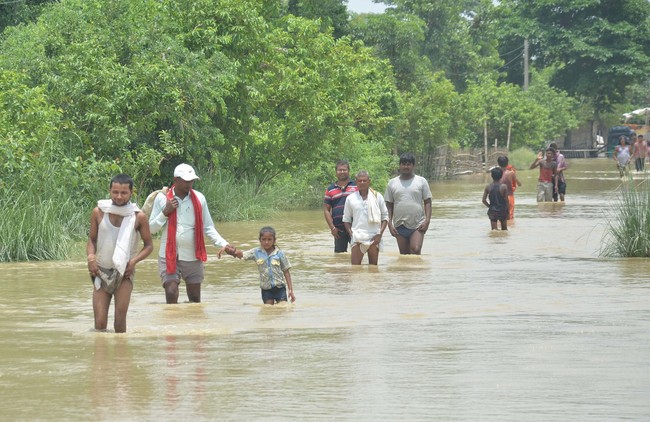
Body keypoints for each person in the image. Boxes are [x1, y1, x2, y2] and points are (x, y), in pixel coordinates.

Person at [149, 163, 231, 304]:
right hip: (168, 255)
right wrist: (165, 212)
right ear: (176, 180)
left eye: (192, 181)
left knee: (194, 299)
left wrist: (224, 244)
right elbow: (150, 229)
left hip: (193, 255)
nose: (190, 184)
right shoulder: (162, 199)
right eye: (186, 181)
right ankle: (172, 325)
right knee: (171, 292)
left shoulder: (199, 199)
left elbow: (208, 227)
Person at [87, 174, 154, 333]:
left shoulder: (138, 216)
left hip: (125, 273)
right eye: (115, 192)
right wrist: (91, 257)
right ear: (109, 191)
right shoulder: (98, 212)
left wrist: (133, 262)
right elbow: (92, 239)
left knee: (119, 322)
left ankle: (121, 356)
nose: (118, 196)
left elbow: (149, 246)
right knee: (100, 324)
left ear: (131, 193)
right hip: (101, 271)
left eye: (124, 193)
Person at [224, 227, 295, 305]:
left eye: (269, 239)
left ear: (274, 240)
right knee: (268, 310)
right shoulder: (256, 252)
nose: (266, 242)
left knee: (282, 308)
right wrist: (230, 250)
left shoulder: (279, 254)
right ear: (260, 240)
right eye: (263, 239)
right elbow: (242, 255)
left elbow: (286, 271)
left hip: (280, 288)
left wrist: (290, 289)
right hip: (266, 289)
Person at [384, 153, 432, 255]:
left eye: (409, 164)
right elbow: (389, 205)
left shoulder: (421, 181)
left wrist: (427, 221)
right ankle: (406, 271)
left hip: (417, 224)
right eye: (403, 164)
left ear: (413, 166)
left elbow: (427, 202)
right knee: (404, 254)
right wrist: (389, 224)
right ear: (400, 165)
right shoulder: (392, 183)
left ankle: (416, 271)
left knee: (415, 249)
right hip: (399, 224)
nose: (406, 166)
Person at [342, 170, 389, 265]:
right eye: (360, 181)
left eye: (364, 180)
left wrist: (379, 234)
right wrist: (352, 234)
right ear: (356, 182)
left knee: (373, 269)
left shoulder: (377, 196)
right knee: (355, 269)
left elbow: (385, 217)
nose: (362, 183)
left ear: (369, 181)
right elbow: (346, 219)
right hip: (358, 237)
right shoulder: (350, 198)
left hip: (374, 237)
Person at [323, 160, 358, 253]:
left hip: (355, 227)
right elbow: (326, 210)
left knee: (358, 255)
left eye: (344, 170)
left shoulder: (357, 186)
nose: (342, 172)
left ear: (349, 171)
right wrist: (332, 228)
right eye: (339, 170)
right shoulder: (330, 189)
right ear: (336, 172)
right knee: (339, 258)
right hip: (338, 230)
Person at [497, 156, 521, 220]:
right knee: (510, 217)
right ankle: (510, 228)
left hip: (499, 197)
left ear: (498, 164)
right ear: (507, 163)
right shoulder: (511, 173)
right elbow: (519, 183)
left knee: (500, 217)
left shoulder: (496, 173)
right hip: (509, 196)